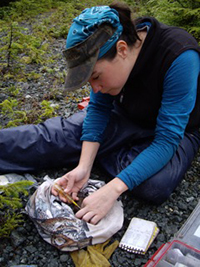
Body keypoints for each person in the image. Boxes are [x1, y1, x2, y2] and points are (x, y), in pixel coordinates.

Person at [0, 2, 200, 225]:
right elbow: (97, 108)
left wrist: (112, 189)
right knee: (57, 135)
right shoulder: (109, 50)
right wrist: (84, 167)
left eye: (95, 76)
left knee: (154, 185)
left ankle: (112, 152)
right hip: (126, 115)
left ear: (122, 50)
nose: (94, 88)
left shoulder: (179, 55)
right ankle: (115, 155)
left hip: (179, 131)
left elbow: (167, 139)